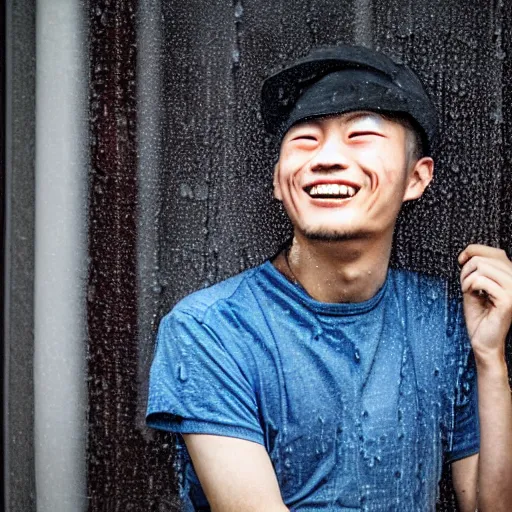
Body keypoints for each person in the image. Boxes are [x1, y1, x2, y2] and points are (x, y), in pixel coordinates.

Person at [146, 45, 512, 511]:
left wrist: (490, 359)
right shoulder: (211, 330)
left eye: (361, 136)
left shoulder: (442, 320)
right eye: (305, 140)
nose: (328, 158)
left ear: (416, 179)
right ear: (279, 179)